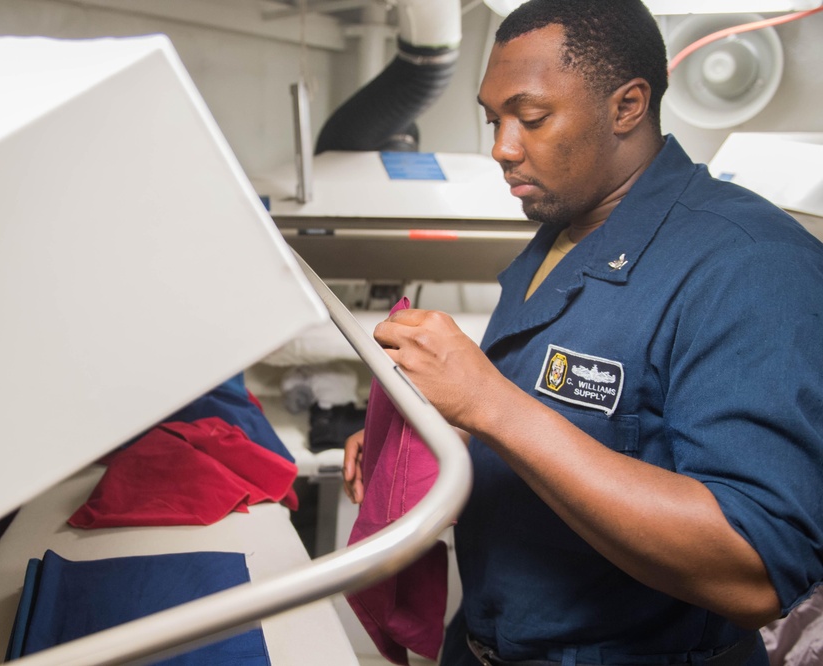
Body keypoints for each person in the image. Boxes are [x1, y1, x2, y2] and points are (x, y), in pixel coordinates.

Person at [342, 1, 823, 664]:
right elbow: (563, 425)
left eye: (530, 117)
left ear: (627, 106)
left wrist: (488, 402)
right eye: (493, 120)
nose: (502, 148)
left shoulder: (750, 265)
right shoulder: (566, 234)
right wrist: (431, 437)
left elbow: (756, 568)